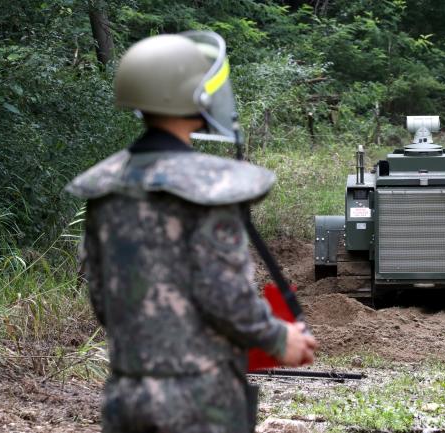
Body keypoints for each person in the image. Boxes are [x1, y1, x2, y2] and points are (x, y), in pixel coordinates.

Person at [66, 32, 317, 433]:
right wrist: (276, 337)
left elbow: (101, 296)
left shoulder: (105, 188)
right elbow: (225, 295)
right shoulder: (209, 188)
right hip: (201, 401)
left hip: (126, 396)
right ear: (195, 98)